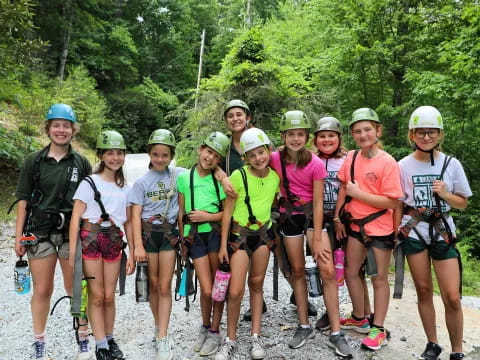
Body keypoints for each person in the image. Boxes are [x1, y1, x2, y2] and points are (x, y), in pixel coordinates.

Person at [220, 100, 317, 319]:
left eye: (239, 114)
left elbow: (280, 158)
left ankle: (298, 295)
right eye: (230, 116)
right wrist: (220, 173)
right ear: (226, 121)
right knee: (246, 258)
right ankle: (257, 302)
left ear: (248, 117)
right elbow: (209, 160)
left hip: (270, 211)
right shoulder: (225, 148)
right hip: (240, 212)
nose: (235, 119)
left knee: (283, 258)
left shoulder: (262, 140)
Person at [14, 104, 93, 360]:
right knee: (43, 289)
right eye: (56, 125)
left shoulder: (81, 163)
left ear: (73, 130)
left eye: (66, 126)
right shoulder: (33, 162)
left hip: (72, 232)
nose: (61, 130)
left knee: (76, 288)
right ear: (48, 128)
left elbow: (90, 201)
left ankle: (83, 337)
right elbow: (24, 201)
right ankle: (39, 341)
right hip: (40, 232)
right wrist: (18, 237)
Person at [395, 106, 472, 360]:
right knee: (424, 289)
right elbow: (398, 201)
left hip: (442, 230)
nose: (426, 137)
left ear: (440, 134)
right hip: (414, 229)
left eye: (431, 132)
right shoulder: (403, 166)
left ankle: (457, 349)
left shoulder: (451, 164)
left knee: (451, 295)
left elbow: (463, 202)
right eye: (421, 132)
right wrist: (397, 230)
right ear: (412, 135)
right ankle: (432, 343)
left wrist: (446, 194)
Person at [336, 108, 403, 351]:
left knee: (379, 279)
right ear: (352, 135)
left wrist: (359, 194)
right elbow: (344, 188)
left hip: (380, 229)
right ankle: (360, 316)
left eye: (367, 129)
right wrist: (337, 218)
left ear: (378, 131)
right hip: (355, 225)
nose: (363, 135)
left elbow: (394, 201)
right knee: (352, 272)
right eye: (358, 131)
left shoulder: (388, 163)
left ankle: (379, 327)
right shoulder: (352, 157)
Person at [268, 110, 332, 350]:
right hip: (289, 217)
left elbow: (317, 201)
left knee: (325, 267)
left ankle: (332, 320)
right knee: (296, 269)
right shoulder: (275, 158)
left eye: (300, 134)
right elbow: (254, 166)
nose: (296, 139)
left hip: (309, 216)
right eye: (291, 134)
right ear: (283, 136)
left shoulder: (314, 163)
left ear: (307, 136)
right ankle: (303, 323)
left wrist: (316, 235)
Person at [69, 130, 135, 360]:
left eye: (119, 153)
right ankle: (100, 345)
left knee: (109, 295)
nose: (115, 158)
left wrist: (134, 252)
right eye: (110, 153)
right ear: (100, 155)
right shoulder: (89, 183)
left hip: (114, 242)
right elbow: (76, 218)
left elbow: (128, 222)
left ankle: (109, 337)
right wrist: (72, 253)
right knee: (96, 295)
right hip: (91, 241)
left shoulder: (126, 187)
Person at [216, 128, 280, 360]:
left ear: (268, 151)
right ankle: (230, 338)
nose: (258, 158)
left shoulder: (274, 178)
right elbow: (227, 212)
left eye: (261, 153)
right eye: (252, 155)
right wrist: (223, 244)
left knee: (256, 284)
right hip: (239, 237)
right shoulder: (237, 177)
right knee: (235, 290)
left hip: (263, 237)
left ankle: (255, 336)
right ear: (245, 158)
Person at [311, 116, 373, 335]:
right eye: (322, 136)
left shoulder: (348, 159)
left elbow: (349, 187)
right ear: (315, 139)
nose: (326, 140)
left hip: (344, 221)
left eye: (331, 136)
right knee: (327, 269)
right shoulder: (310, 159)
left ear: (339, 138)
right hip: (321, 219)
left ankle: (365, 313)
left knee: (354, 269)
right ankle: (332, 311)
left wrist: (339, 217)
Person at [128, 129, 186, 360]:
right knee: (152, 284)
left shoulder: (179, 174)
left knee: (164, 285)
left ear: (171, 156)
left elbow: (203, 170)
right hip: (148, 237)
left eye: (165, 155)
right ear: (149, 154)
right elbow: (134, 216)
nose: (160, 159)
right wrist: (136, 247)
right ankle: (157, 324)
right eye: (155, 154)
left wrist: (221, 174)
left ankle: (163, 335)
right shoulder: (141, 182)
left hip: (169, 235)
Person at [177, 132, 229, 356]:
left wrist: (208, 217)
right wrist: (182, 242)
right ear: (200, 149)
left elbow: (229, 213)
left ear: (220, 161)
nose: (210, 158)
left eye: (216, 156)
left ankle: (215, 331)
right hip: (195, 238)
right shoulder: (183, 178)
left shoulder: (219, 180)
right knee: (206, 288)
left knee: (217, 289)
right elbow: (181, 213)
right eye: (208, 152)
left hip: (216, 236)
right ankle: (206, 325)